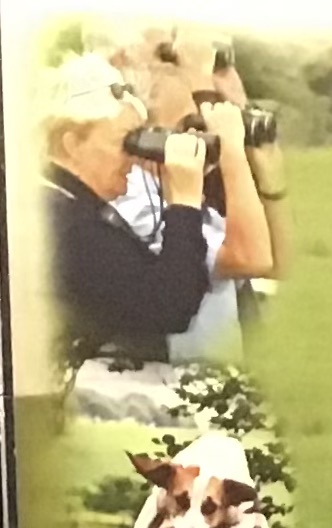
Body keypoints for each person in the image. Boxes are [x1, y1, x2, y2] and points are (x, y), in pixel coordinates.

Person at [107, 27, 284, 366]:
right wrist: (231, 149)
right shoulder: (128, 193)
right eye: (168, 56)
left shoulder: (173, 187)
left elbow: (274, 261)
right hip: (169, 384)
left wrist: (273, 184)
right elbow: (251, 257)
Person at [43, 53, 210, 364]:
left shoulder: (62, 206)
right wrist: (185, 202)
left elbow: (167, 285)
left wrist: (180, 202)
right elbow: (171, 307)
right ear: (72, 144)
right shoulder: (68, 227)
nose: (135, 157)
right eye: (126, 142)